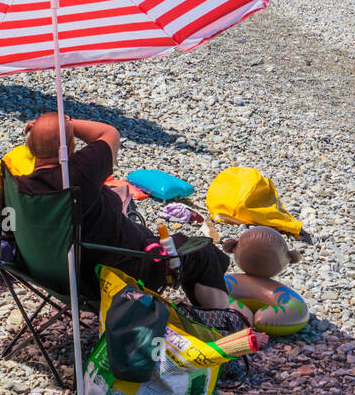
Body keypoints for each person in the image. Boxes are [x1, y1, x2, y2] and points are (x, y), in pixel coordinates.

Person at [15, 113, 249, 333]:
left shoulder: (19, 189)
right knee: (201, 252)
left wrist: (54, 128)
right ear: (71, 147)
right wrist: (68, 123)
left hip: (59, 277)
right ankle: (222, 329)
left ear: (29, 146)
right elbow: (109, 133)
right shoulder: (79, 172)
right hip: (115, 276)